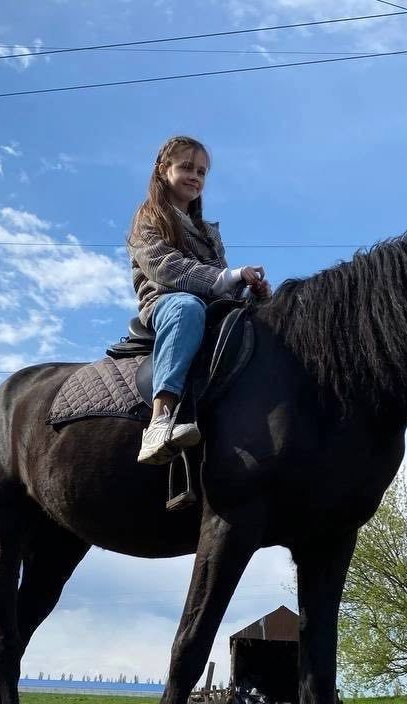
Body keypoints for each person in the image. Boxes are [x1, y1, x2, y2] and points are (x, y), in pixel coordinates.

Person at [127, 135, 271, 465]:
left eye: (202, 172)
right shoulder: (149, 218)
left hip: (211, 307)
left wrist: (249, 290)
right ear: (164, 170)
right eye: (187, 167)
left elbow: (225, 283)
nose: (196, 176)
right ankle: (160, 420)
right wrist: (227, 277)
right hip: (167, 303)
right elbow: (166, 267)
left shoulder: (208, 232)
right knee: (186, 307)